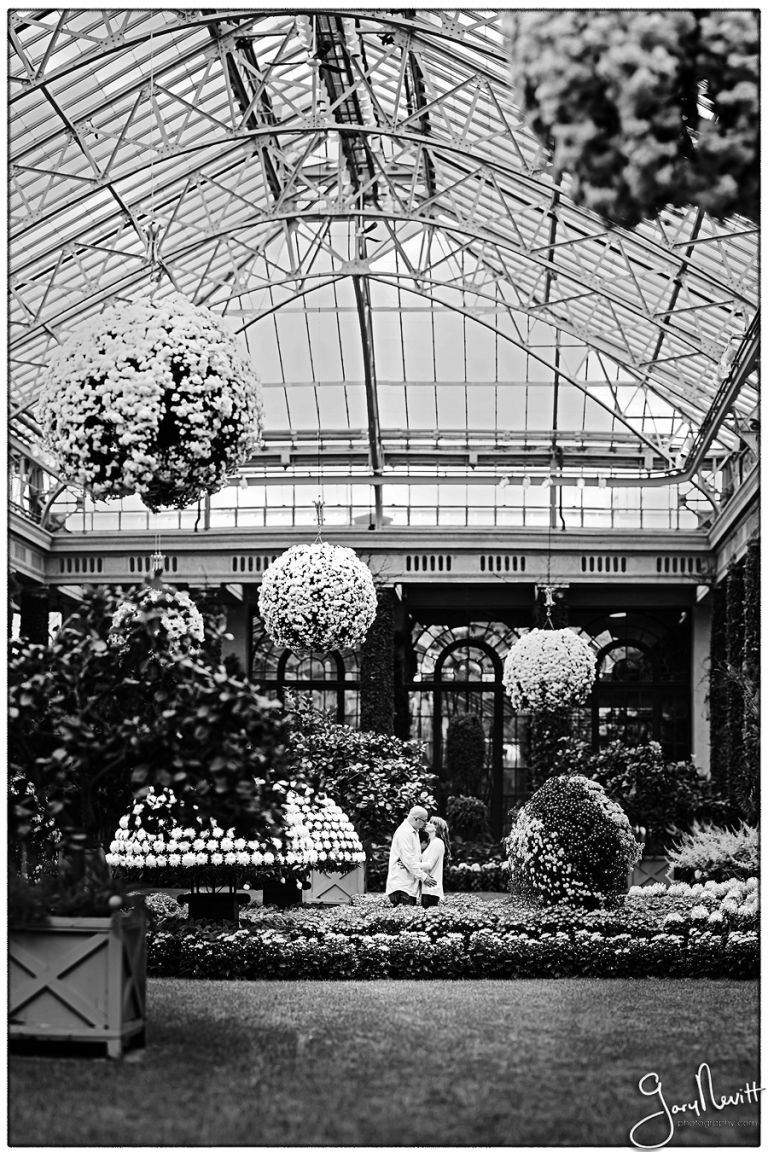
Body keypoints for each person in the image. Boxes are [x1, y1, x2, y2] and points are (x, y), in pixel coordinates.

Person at [385, 805, 437, 905]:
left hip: (407, 887)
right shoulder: (404, 832)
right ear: (416, 819)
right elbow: (408, 859)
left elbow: (413, 858)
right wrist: (423, 877)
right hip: (401, 887)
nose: (425, 824)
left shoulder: (413, 831)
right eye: (424, 821)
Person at [420, 816, 451, 907]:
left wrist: (410, 865)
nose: (427, 823)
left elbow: (429, 864)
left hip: (431, 890)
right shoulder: (432, 843)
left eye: (431, 822)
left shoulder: (437, 842)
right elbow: (420, 859)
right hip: (427, 889)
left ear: (436, 828)